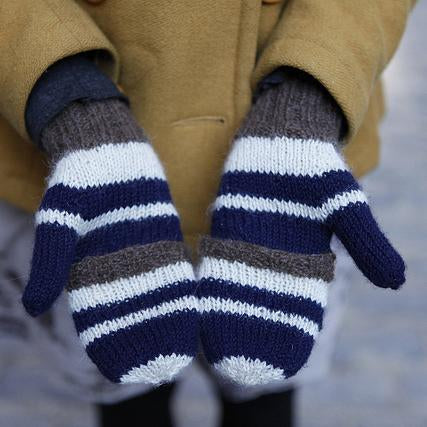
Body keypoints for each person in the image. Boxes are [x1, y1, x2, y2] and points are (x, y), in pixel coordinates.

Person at [0, 1, 415, 426]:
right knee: (127, 391)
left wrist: (305, 102)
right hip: (72, 166)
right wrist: (71, 104)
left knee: (264, 394)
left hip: (299, 171)